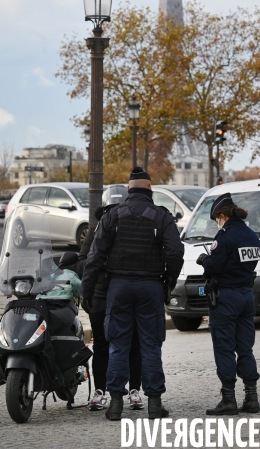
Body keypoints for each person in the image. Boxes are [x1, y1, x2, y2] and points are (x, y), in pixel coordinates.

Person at [81, 167, 184, 421]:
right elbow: (175, 253)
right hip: (150, 287)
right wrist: (168, 281)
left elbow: (94, 257)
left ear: (128, 190)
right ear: (150, 189)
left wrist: (87, 290)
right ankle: (154, 404)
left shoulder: (112, 216)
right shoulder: (161, 217)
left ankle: (115, 404)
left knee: (117, 345)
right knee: (150, 345)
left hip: (119, 288)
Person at [196, 192, 260, 415]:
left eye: (217, 219)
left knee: (224, 347)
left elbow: (214, 265)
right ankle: (251, 397)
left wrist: (205, 260)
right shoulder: (252, 235)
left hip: (226, 298)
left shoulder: (225, 237)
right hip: (246, 295)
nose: (217, 223)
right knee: (245, 348)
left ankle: (228, 399)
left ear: (222, 215)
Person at [76, 205, 143, 411]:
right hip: (100, 296)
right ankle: (100, 391)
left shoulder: (133, 227)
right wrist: (98, 261)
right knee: (102, 346)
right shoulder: (96, 230)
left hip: (126, 293)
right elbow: (80, 264)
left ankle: (134, 390)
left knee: (133, 343)